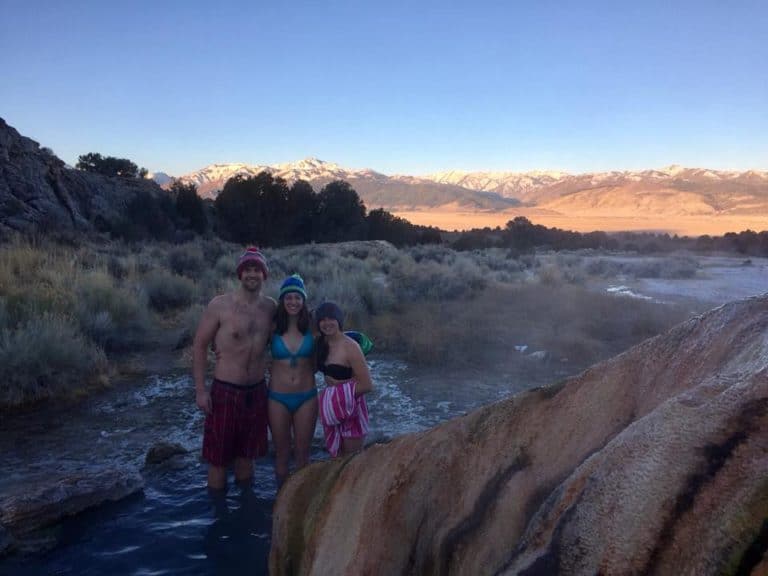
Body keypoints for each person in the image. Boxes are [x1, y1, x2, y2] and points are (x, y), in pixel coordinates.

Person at [193, 246, 276, 490]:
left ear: (264, 275)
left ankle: (244, 515)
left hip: (257, 392)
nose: (252, 274)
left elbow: (293, 332)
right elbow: (199, 346)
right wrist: (200, 391)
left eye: (257, 270)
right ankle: (218, 517)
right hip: (225, 391)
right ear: (240, 274)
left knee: (247, 456)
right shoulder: (220, 306)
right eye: (248, 270)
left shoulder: (270, 308)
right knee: (218, 459)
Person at [267, 274, 318, 489]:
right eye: (288, 297)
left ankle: (301, 498)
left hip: (306, 397)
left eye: (298, 297)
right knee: (281, 453)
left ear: (304, 300)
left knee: (303, 454)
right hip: (277, 398)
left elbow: (334, 344)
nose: (293, 302)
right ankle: (281, 498)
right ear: (282, 300)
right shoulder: (272, 327)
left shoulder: (313, 326)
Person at [315, 301, 373, 457]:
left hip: (352, 408)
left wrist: (340, 385)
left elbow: (367, 385)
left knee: (351, 460)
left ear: (339, 320)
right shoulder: (321, 344)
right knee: (336, 458)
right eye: (322, 319)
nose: (327, 323)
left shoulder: (351, 347)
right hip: (333, 407)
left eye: (331, 318)